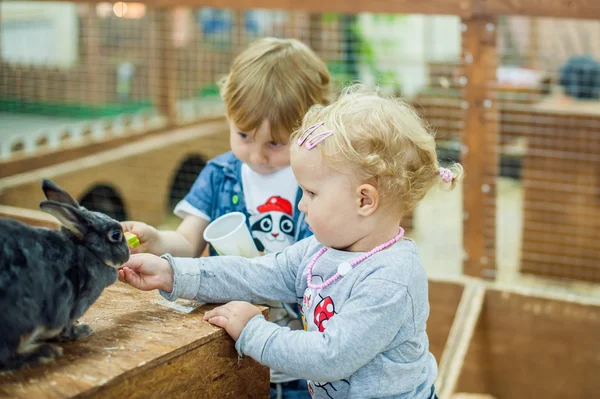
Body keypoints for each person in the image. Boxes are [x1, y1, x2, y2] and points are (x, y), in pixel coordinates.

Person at [119, 84, 463, 398]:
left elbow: (330, 356)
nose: (301, 204)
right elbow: (254, 274)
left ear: (364, 200)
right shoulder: (318, 251)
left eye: (312, 193)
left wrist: (253, 332)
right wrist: (172, 273)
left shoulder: (391, 278)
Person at [121, 37, 330, 398]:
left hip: (303, 362)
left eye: (276, 143)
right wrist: (156, 240)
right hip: (232, 352)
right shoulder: (220, 174)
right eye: (244, 135)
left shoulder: (317, 179)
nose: (257, 154)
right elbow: (188, 241)